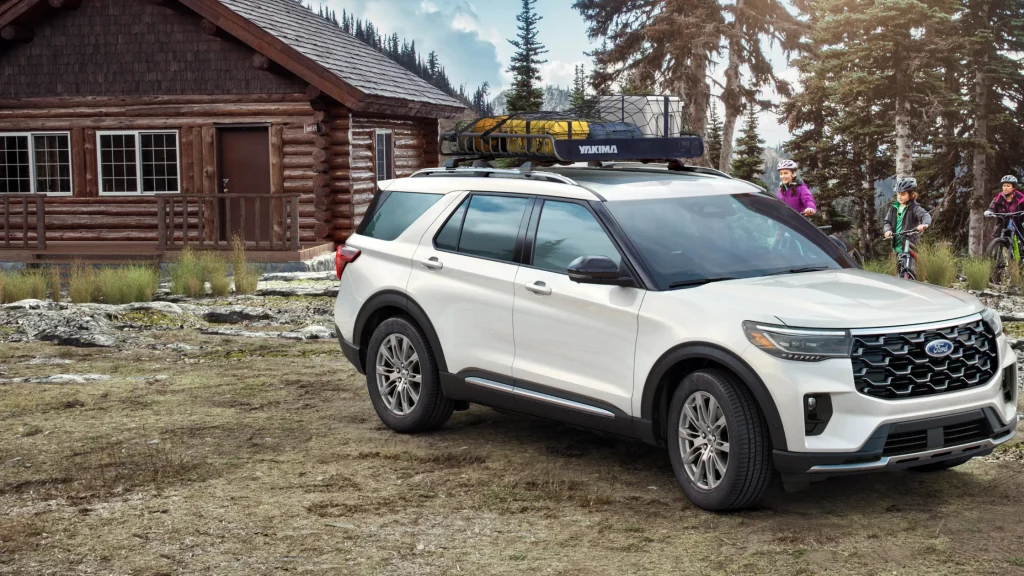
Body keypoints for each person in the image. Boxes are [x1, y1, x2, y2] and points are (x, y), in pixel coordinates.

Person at [883, 178, 930, 255]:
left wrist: (925, 224)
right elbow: (887, 222)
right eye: (898, 194)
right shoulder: (894, 207)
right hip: (896, 246)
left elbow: (925, 215)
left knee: (909, 262)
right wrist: (887, 230)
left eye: (903, 194)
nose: (899, 197)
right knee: (898, 262)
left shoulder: (914, 208)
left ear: (911, 195)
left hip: (910, 246)